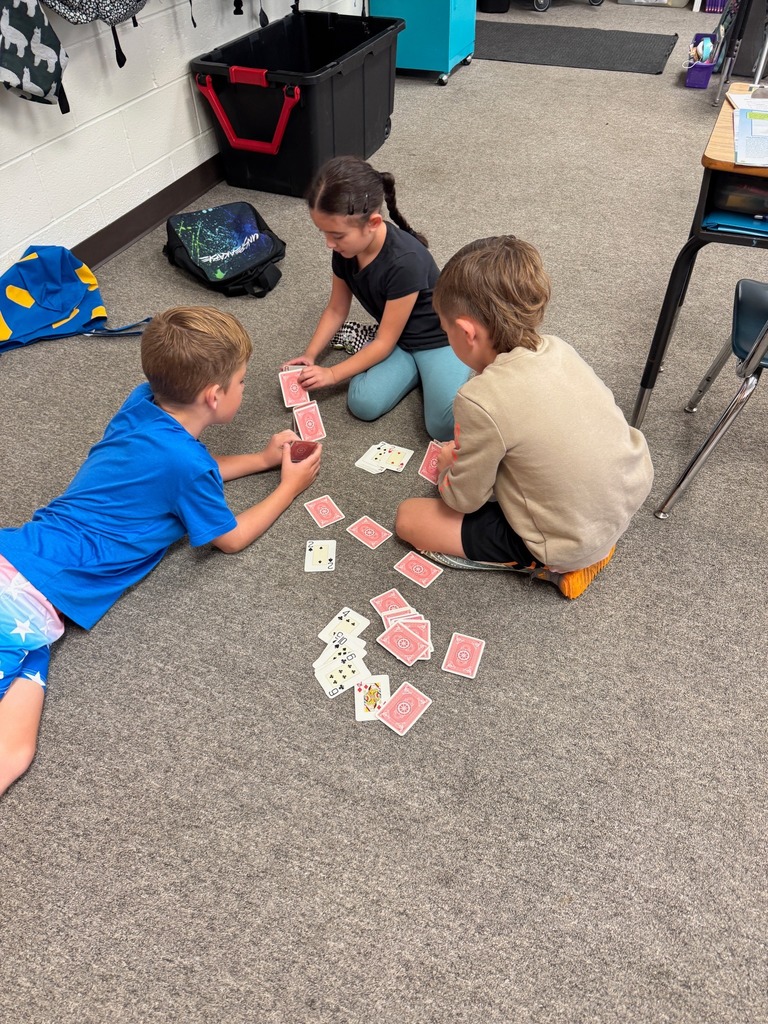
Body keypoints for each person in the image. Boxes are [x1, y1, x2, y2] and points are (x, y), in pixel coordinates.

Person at [0, 306, 322, 795]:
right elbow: (229, 537)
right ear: (214, 396)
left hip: (20, 559)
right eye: (241, 382)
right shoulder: (187, 466)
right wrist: (289, 487)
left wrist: (260, 459)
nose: (245, 389)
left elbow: (182, 470)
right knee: (12, 753)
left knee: (16, 745)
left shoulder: (142, 403)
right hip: (29, 597)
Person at [395, 236, 654, 599]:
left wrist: (446, 469)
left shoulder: (478, 399)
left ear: (467, 332)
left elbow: (463, 500)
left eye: (444, 327)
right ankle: (579, 545)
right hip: (627, 492)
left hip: (569, 540)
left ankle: (547, 566)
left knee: (409, 519)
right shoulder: (558, 346)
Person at [282, 155, 470, 442]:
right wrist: (310, 355)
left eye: (336, 235)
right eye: (324, 233)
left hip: (437, 340)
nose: (329, 244)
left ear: (373, 222)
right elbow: (336, 309)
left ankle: (455, 364)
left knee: (443, 427)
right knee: (363, 404)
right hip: (395, 338)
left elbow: (383, 343)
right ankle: (409, 368)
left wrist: (332, 374)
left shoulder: (405, 261)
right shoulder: (345, 250)